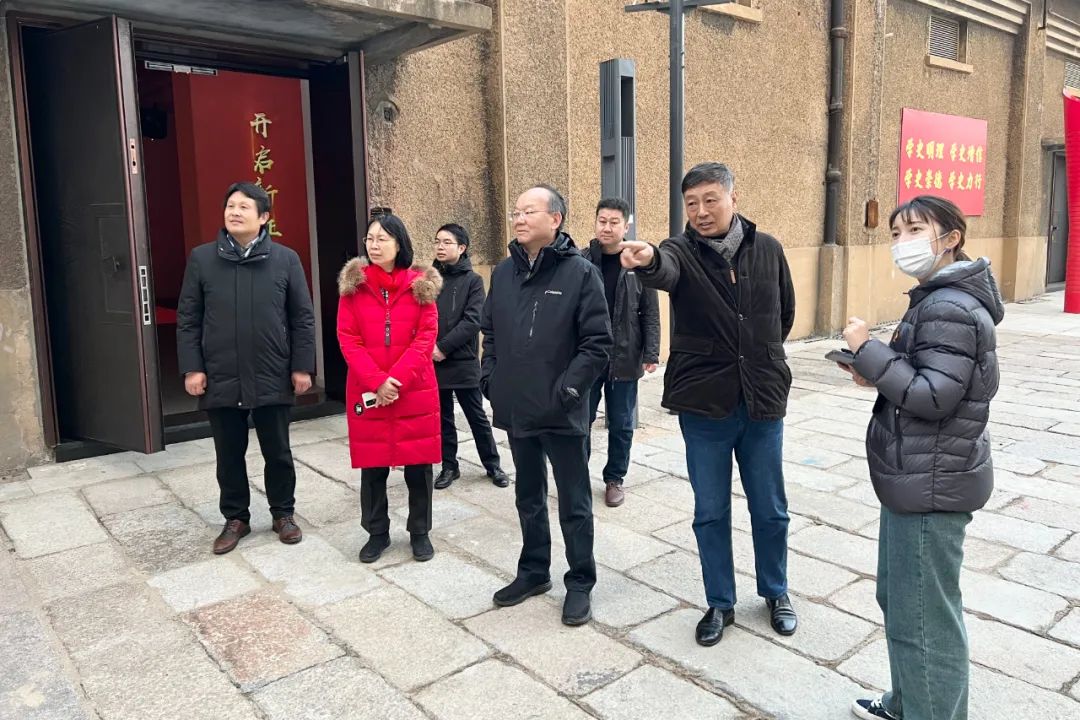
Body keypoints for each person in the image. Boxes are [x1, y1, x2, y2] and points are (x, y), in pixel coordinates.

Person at [619, 162, 797, 646]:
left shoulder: (769, 249)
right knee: (710, 510)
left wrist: (759, 358)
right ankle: (720, 601)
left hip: (762, 399)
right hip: (704, 404)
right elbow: (664, 268)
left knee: (771, 508)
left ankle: (776, 591)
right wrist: (647, 257)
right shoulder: (680, 250)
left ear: (734, 199)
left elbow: (784, 314)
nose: (700, 211)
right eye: (691, 203)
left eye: (710, 200)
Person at [843, 196, 1002, 720]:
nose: (902, 242)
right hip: (919, 475)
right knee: (903, 603)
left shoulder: (948, 306)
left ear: (951, 238)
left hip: (931, 483)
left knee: (924, 621)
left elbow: (934, 397)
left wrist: (868, 349)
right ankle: (908, 703)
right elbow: (926, 378)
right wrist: (875, 367)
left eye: (915, 230)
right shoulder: (938, 298)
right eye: (895, 233)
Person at [481, 185, 612, 626]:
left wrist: (569, 391)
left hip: (561, 410)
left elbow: (597, 343)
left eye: (529, 212)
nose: (518, 219)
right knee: (528, 496)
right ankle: (534, 571)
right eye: (516, 212)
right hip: (518, 406)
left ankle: (580, 582)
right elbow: (490, 333)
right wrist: (491, 380)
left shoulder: (580, 273)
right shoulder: (504, 273)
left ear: (555, 219)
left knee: (574, 502)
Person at [177, 182, 315, 555]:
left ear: (263, 217)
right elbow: (189, 318)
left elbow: (302, 318)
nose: (235, 212)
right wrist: (193, 368)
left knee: (278, 451)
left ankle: (283, 514)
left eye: (244, 207)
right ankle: (236, 518)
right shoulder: (202, 259)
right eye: (230, 206)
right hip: (221, 372)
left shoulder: (285, 259)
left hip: (272, 370)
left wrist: (302, 367)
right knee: (228, 453)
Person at [336, 214, 442, 564]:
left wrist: (395, 380)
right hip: (369, 388)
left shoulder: (420, 287)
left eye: (382, 238)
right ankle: (376, 532)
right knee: (373, 465)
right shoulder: (354, 288)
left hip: (413, 388)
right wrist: (377, 381)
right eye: (370, 238)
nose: (374, 244)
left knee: (418, 466)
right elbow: (348, 338)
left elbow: (425, 337)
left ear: (400, 244)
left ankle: (420, 531)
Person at [583, 198, 661, 508]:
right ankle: (576, 475)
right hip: (587, 356)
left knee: (622, 423)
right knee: (580, 420)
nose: (607, 227)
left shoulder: (638, 262)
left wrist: (651, 352)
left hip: (626, 355)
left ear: (626, 226)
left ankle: (614, 478)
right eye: (602, 220)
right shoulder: (581, 260)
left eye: (614, 222)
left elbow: (650, 312)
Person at [431, 223, 511, 489]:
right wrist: (431, 348)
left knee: (476, 416)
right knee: (443, 418)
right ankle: (449, 466)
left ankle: (492, 465)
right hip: (433, 361)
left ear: (461, 247)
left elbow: (472, 321)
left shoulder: (473, 281)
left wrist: (443, 347)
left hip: (462, 361)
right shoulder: (429, 279)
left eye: (447, 242)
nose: (440, 247)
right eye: (437, 242)